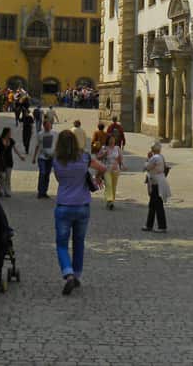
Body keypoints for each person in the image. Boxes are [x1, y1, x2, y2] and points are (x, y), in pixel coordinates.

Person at [52, 128, 106, 295]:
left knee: (61, 244)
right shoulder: (84, 157)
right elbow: (103, 167)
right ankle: (77, 275)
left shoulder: (57, 160)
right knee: (79, 242)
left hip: (63, 205)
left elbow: (58, 179)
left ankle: (67, 272)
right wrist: (97, 178)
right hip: (82, 206)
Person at [143, 141, 170, 232]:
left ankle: (162, 226)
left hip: (156, 183)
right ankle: (149, 225)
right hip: (160, 181)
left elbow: (147, 167)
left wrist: (147, 159)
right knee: (153, 205)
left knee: (157, 204)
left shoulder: (154, 158)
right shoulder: (161, 157)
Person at [0, 126, 25, 198]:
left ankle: (7, 191)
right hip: (1, 161)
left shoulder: (11, 140)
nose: (10, 134)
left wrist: (20, 156)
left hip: (9, 160)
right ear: (6, 133)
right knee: (2, 176)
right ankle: (0, 190)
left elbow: (15, 149)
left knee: (8, 177)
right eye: (9, 132)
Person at [33, 119, 57, 198]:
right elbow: (37, 146)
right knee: (42, 173)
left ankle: (44, 191)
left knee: (47, 175)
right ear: (44, 126)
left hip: (51, 157)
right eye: (46, 125)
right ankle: (40, 191)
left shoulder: (54, 134)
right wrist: (34, 157)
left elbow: (56, 145)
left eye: (49, 125)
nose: (48, 127)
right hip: (42, 157)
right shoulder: (40, 134)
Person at [98, 133, 123, 210]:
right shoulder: (104, 148)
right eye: (110, 140)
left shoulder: (117, 148)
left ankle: (111, 201)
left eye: (113, 140)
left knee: (113, 186)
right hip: (106, 169)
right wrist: (103, 155)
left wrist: (121, 165)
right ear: (108, 140)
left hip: (115, 169)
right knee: (108, 184)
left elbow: (120, 158)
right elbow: (98, 157)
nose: (112, 141)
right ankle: (109, 200)